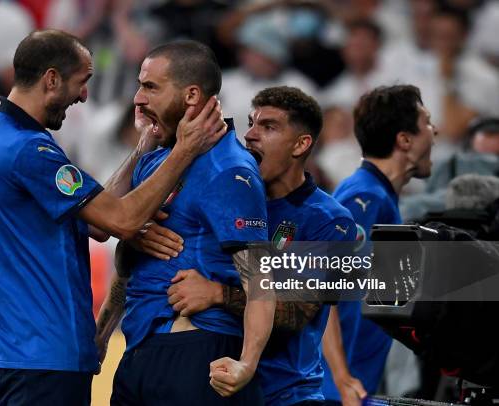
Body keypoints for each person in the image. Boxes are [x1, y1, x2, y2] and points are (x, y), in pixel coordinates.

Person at [0, 30, 226, 406]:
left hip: (20, 350)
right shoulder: (28, 150)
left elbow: (96, 222)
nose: (84, 95)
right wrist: (185, 150)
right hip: (45, 357)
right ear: (52, 79)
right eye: (82, 81)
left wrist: (143, 149)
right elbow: (119, 221)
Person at [130, 86, 358, 406]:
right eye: (251, 122)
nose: (250, 135)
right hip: (217, 379)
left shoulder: (329, 221)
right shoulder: (231, 196)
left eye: (268, 126)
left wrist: (217, 294)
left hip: (287, 393)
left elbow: (299, 311)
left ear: (301, 144)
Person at [93, 40, 275, 405]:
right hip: (139, 349)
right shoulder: (156, 159)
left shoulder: (230, 170)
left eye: (150, 87)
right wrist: (100, 335)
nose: (138, 99)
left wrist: (247, 363)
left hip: (195, 348)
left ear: (191, 95)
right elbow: (109, 231)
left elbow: (260, 278)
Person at [321, 84, 437, 406]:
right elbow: (317, 287)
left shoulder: (379, 196)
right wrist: (342, 379)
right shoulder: (365, 198)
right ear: (404, 140)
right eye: (427, 122)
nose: (435, 130)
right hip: (337, 391)